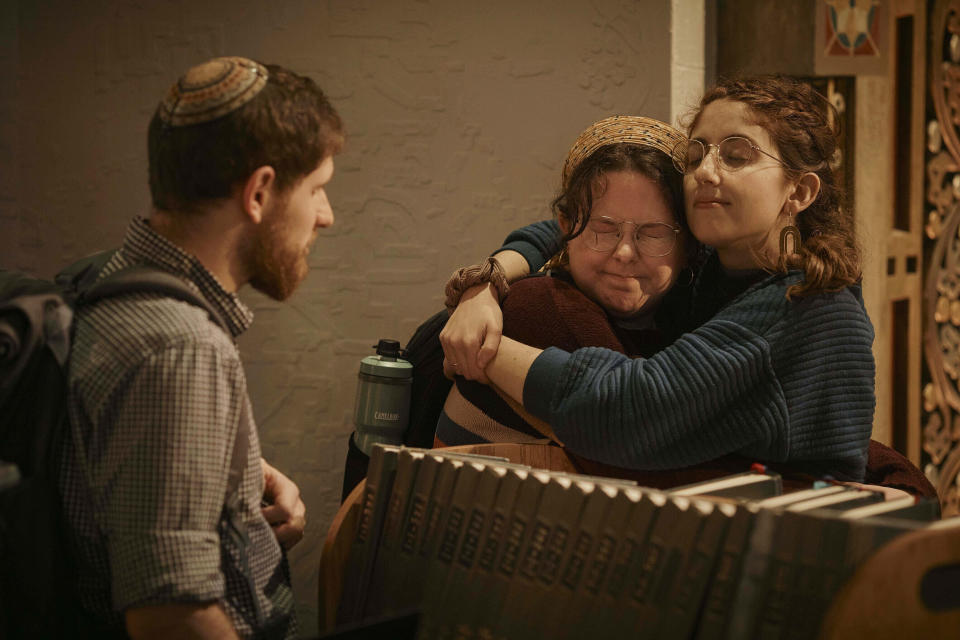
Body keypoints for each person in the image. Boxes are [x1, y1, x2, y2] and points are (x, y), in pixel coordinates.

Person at [440, 75, 876, 481]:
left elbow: (635, 410)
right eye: (697, 154)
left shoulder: (807, 306)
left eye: (737, 155)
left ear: (799, 192)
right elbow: (565, 228)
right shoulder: (715, 272)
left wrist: (480, 347)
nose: (706, 171)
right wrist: (487, 280)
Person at [58, 57, 343, 639]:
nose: (326, 217)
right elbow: (173, 615)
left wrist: (238, 473)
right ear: (260, 192)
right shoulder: (177, 348)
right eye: (316, 189)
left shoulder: (100, 278)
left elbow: (108, 451)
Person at [435, 116, 697, 447]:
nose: (625, 252)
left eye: (654, 233)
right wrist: (482, 282)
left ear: (689, 243)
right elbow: (648, 434)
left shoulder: (687, 316)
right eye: (603, 228)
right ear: (566, 228)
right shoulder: (542, 305)